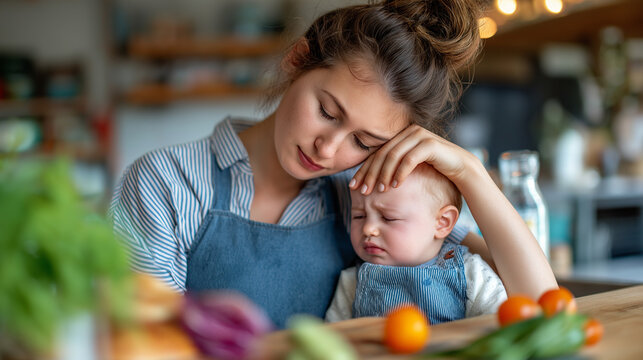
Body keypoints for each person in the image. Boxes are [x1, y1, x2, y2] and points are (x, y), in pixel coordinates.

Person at [109, 0, 556, 329]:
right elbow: (142, 342)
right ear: (298, 60)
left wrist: (467, 172)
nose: (328, 150)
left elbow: (540, 301)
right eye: (326, 112)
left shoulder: (365, 192)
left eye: (363, 141)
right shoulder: (167, 183)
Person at [325, 163, 507, 324]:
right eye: (359, 216)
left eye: (388, 218)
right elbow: (332, 341)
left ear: (442, 222)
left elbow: (500, 324)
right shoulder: (352, 282)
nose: (368, 229)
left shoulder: (471, 273)